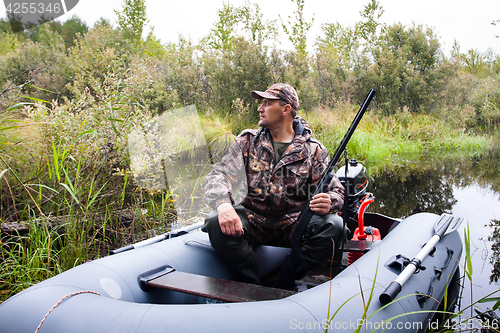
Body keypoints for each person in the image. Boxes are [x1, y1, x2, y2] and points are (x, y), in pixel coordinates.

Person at [203, 83, 345, 289]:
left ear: (286, 109)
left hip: (293, 223)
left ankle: (287, 277)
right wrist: (223, 204)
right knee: (215, 220)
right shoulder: (247, 142)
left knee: (334, 226)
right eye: (261, 104)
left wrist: (329, 202)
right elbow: (218, 174)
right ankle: (252, 283)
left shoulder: (313, 150)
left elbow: (337, 190)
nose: (260, 108)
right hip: (253, 220)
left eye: (267, 104)